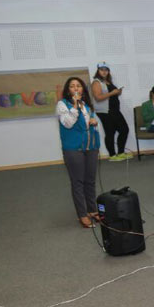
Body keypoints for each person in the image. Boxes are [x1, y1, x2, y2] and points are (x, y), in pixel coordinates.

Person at [57, 77, 102, 228]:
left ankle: (92, 210)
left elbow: (91, 120)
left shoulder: (86, 105)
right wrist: (75, 106)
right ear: (68, 90)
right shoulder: (62, 105)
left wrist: (94, 121)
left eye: (79, 86)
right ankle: (82, 215)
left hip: (90, 147)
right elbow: (68, 123)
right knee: (78, 182)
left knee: (90, 181)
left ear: (83, 89)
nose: (76, 88)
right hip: (73, 148)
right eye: (72, 86)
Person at [90, 62, 130, 161]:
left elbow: (111, 95)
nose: (104, 72)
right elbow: (98, 97)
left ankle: (120, 153)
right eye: (102, 70)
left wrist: (118, 92)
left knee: (124, 129)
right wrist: (112, 92)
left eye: (106, 70)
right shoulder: (96, 82)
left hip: (115, 110)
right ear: (98, 71)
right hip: (105, 111)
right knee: (110, 133)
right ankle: (112, 155)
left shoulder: (108, 82)